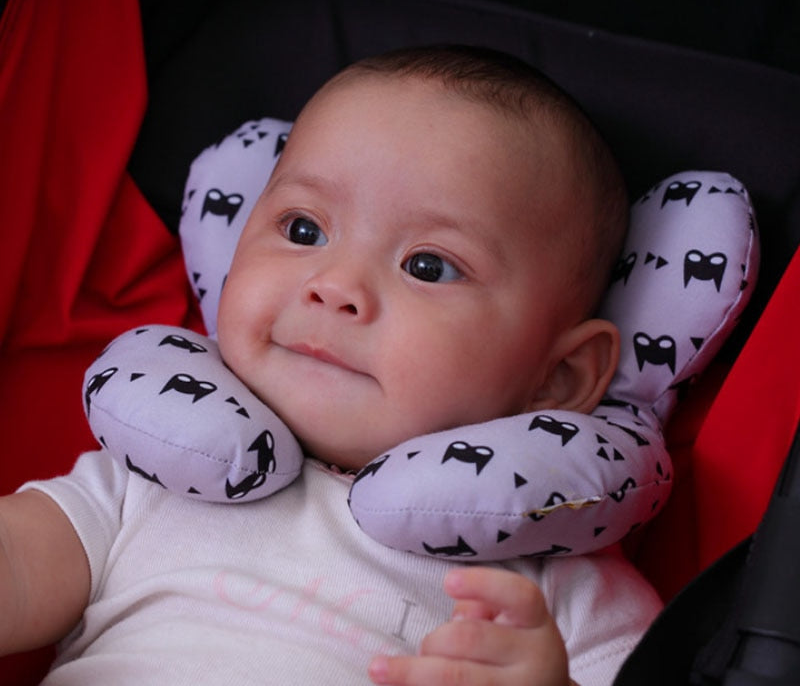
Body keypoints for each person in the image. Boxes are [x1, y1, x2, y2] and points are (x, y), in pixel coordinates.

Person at [0, 45, 661, 685]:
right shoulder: (154, 482)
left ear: (560, 377)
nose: (335, 284)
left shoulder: (554, 581)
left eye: (428, 266)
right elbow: (17, 570)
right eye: (303, 230)